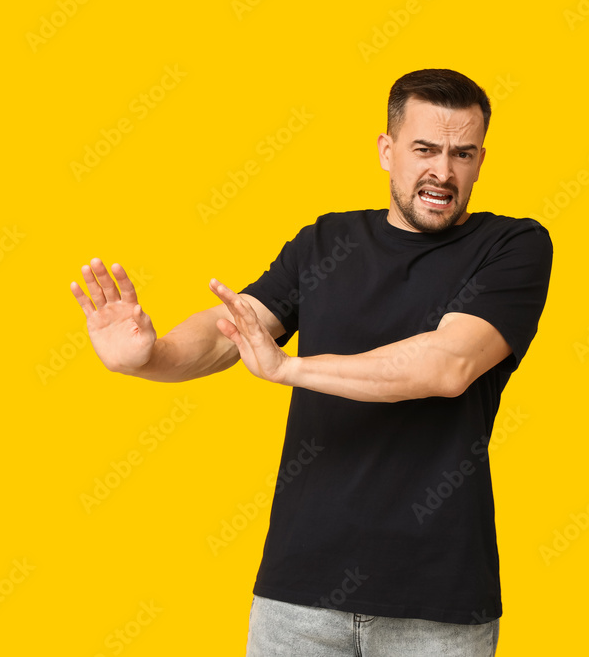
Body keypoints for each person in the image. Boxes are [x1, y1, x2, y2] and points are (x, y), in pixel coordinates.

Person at [70, 68, 552, 656]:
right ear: (386, 150)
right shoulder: (327, 242)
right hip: (298, 597)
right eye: (425, 149)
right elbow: (233, 329)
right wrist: (152, 355)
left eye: (462, 153)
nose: (442, 173)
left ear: (481, 159)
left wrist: (289, 369)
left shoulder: (512, 246)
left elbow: (446, 366)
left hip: (438, 605)